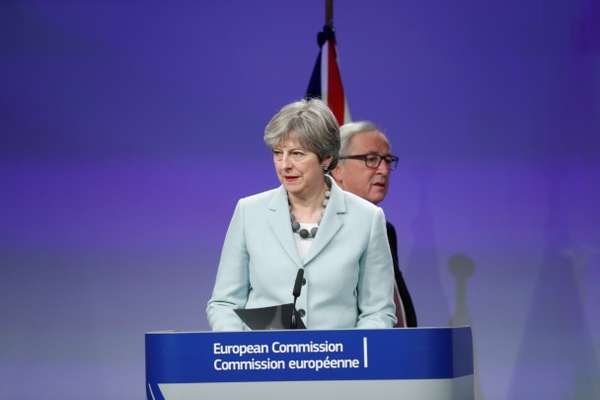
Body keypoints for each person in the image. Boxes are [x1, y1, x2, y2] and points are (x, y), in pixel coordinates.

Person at [206, 99, 396, 331]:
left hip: (338, 362)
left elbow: (378, 310)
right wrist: (241, 352)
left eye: (297, 154)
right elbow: (225, 303)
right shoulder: (249, 212)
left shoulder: (366, 218)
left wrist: (352, 356)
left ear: (326, 158)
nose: (284, 165)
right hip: (262, 361)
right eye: (278, 153)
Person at [331, 121, 417, 327]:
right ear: (337, 168)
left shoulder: (384, 229)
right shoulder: (322, 229)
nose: (384, 170)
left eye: (387, 160)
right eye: (371, 159)